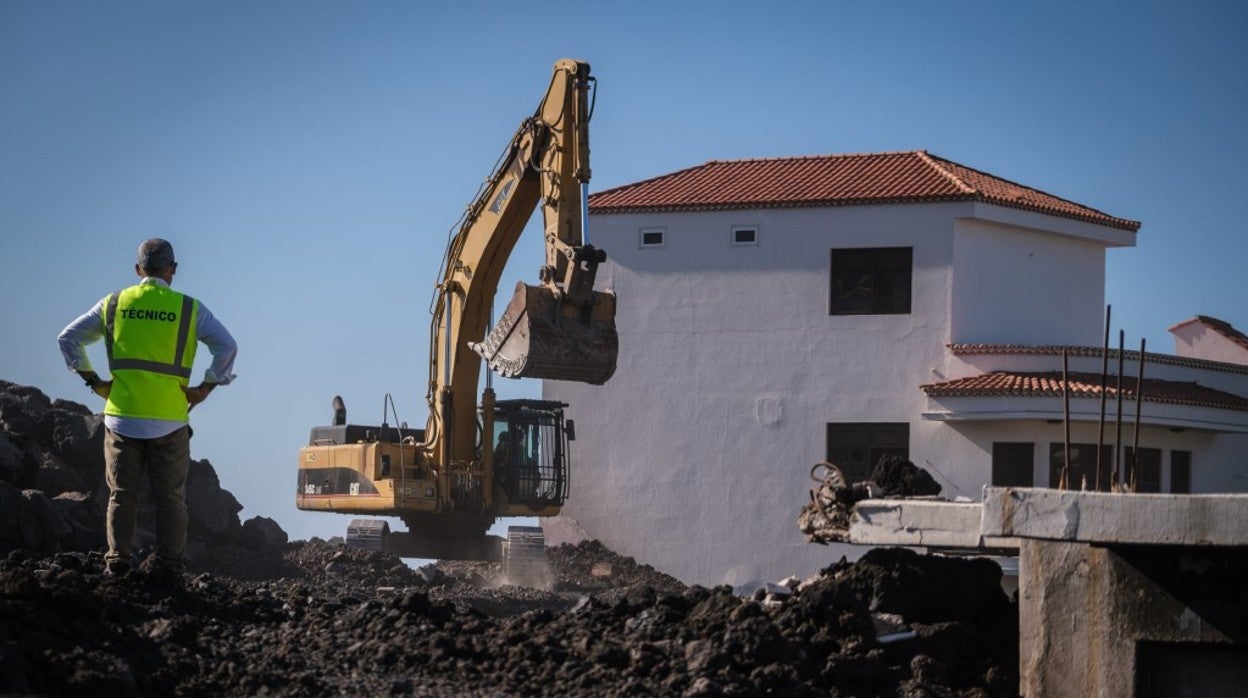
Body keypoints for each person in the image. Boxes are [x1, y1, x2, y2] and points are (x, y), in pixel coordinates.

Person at [58, 238, 237, 581]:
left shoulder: (114, 304)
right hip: (170, 420)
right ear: (173, 269)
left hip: (122, 416)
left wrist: (93, 381)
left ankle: (117, 562)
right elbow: (227, 347)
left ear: (138, 270)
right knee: (171, 499)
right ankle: (170, 566)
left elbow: (67, 339)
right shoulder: (188, 309)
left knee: (121, 495)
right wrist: (205, 389)